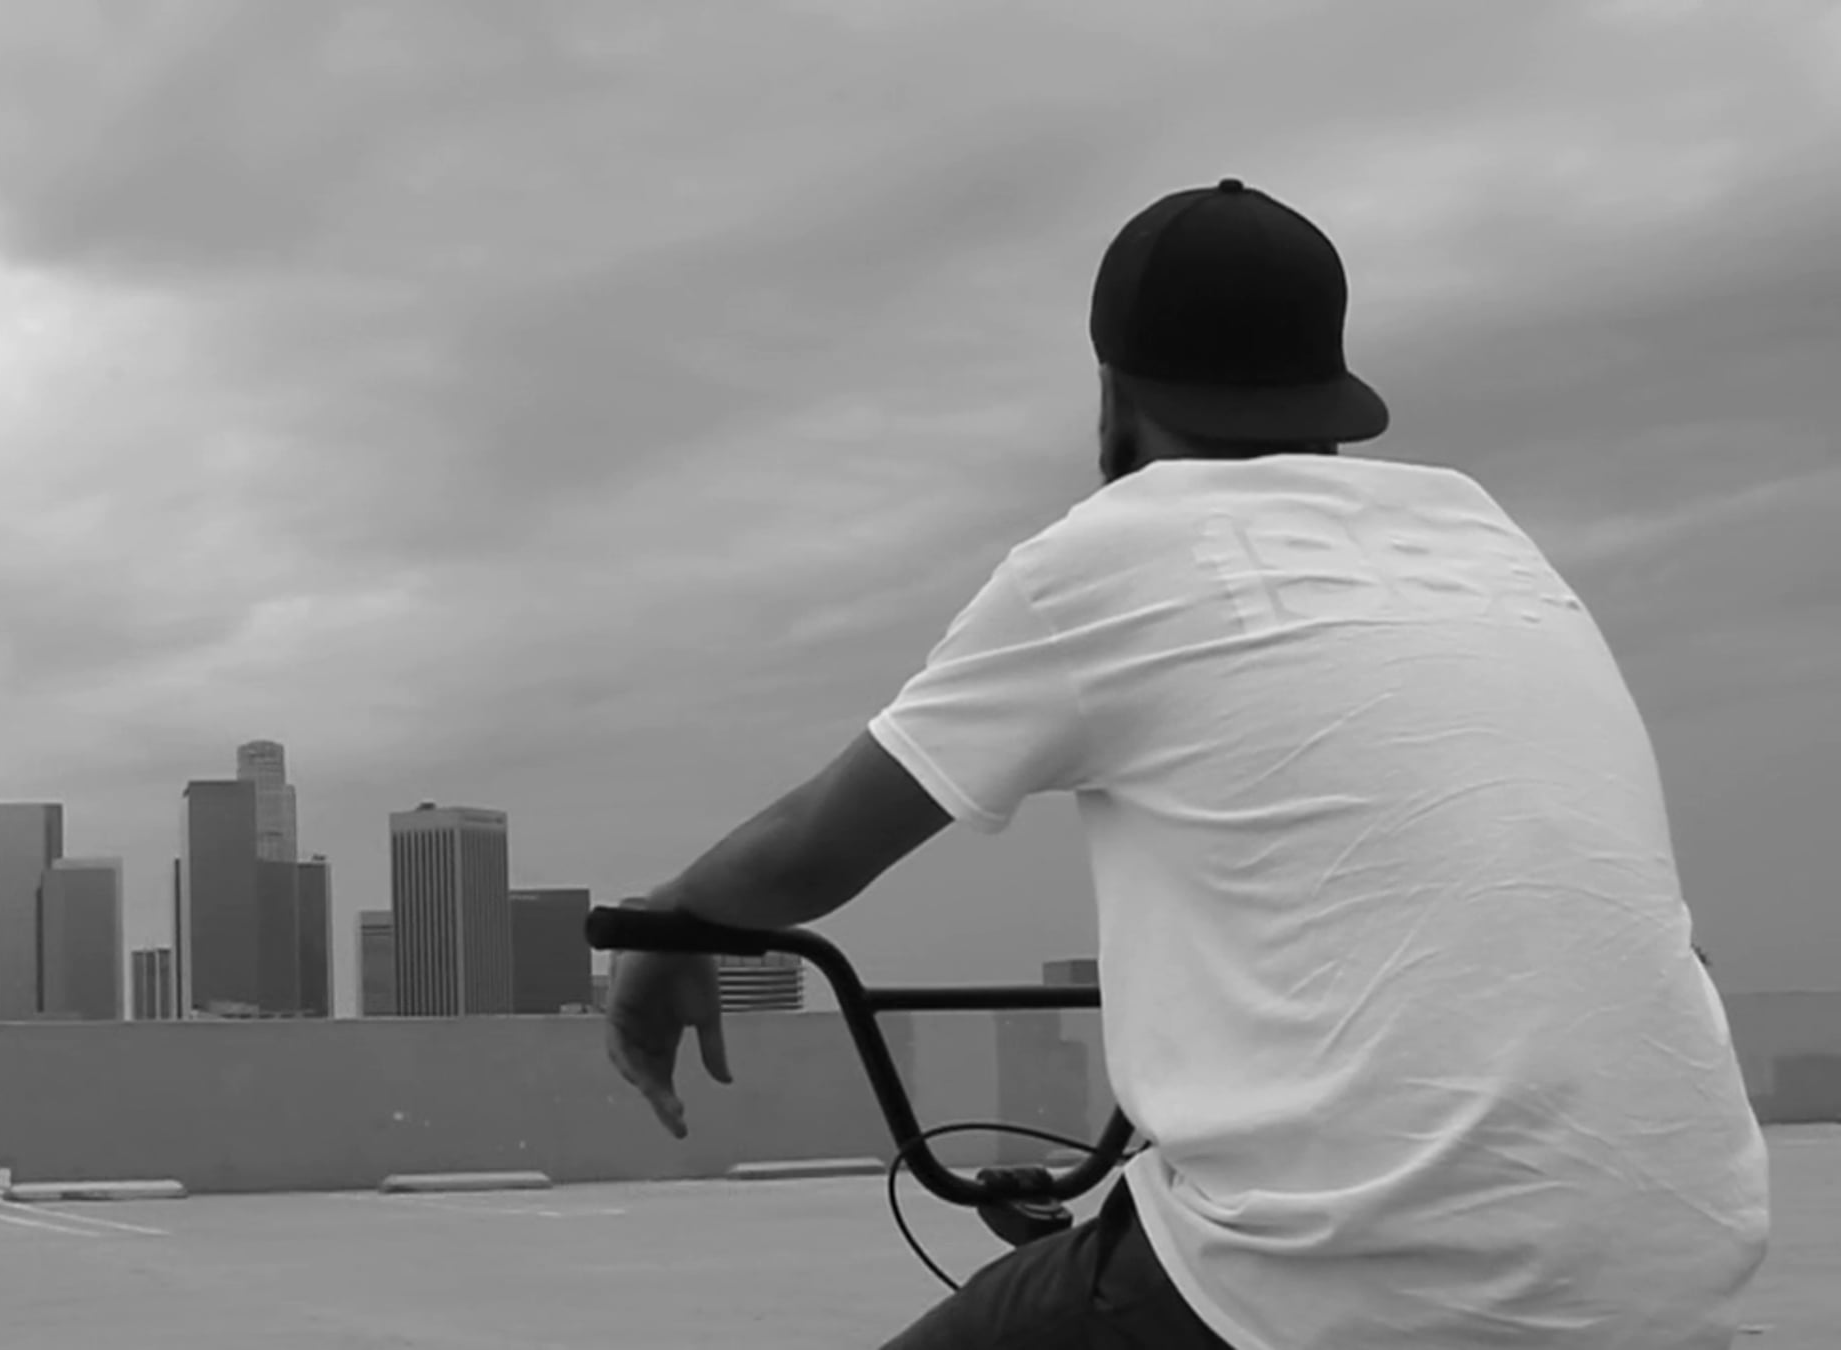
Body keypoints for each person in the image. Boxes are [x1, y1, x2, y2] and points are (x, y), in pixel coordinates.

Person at [600, 177, 1771, 1349]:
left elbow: (811, 848)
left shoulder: (1110, 553)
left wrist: (669, 927)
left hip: (1350, 1277)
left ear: (1114, 391)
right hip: (1677, 1257)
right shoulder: (1486, 541)